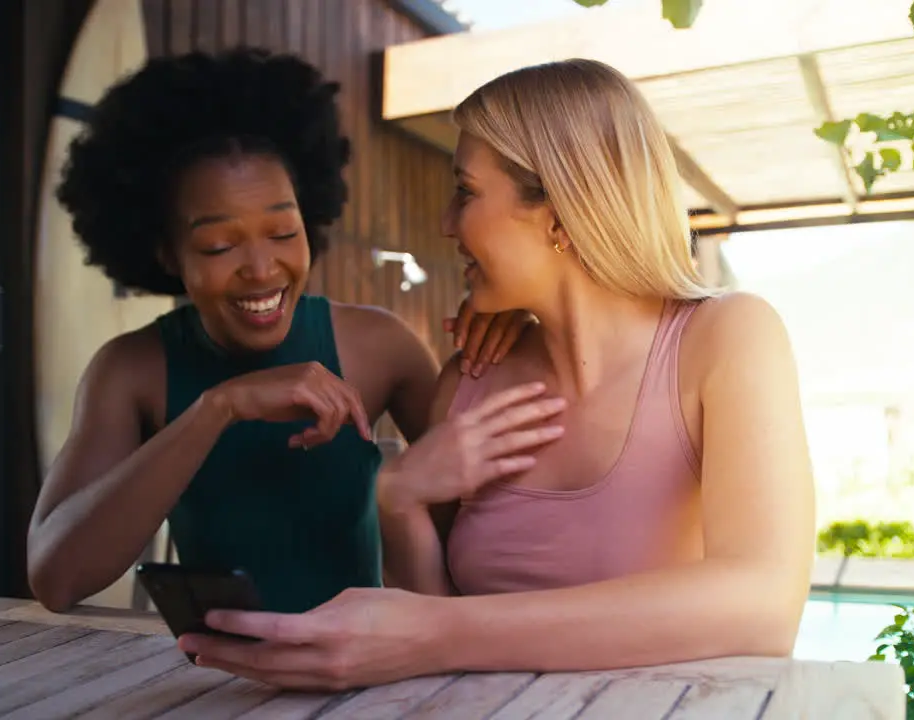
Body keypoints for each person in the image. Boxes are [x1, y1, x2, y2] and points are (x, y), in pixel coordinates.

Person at [176, 58, 817, 689]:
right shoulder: (469, 383)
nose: (447, 222)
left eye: (466, 191)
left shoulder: (726, 337)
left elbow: (762, 604)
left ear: (560, 210)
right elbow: (431, 665)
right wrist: (397, 503)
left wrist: (438, 631)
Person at [26, 48, 529, 614]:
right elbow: (56, 577)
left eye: (284, 232)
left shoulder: (377, 348)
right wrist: (218, 408)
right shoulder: (132, 371)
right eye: (219, 245)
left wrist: (521, 325)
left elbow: (488, 522)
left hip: (362, 677)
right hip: (219, 680)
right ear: (166, 253)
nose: (262, 269)